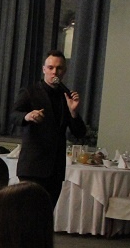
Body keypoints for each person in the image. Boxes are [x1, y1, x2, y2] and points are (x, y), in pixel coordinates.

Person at [13, 50, 87, 204]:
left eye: (59, 68)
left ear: (64, 71)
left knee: (47, 213)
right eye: (51, 67)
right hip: (32, 168)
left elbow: (80, 132)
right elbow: (13, 115)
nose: (54, 72)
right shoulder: (30, 92)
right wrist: (28, 116)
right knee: (29, 213)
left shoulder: (66, 96)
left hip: (56, 170)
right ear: (44, 69)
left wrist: (73, 112)